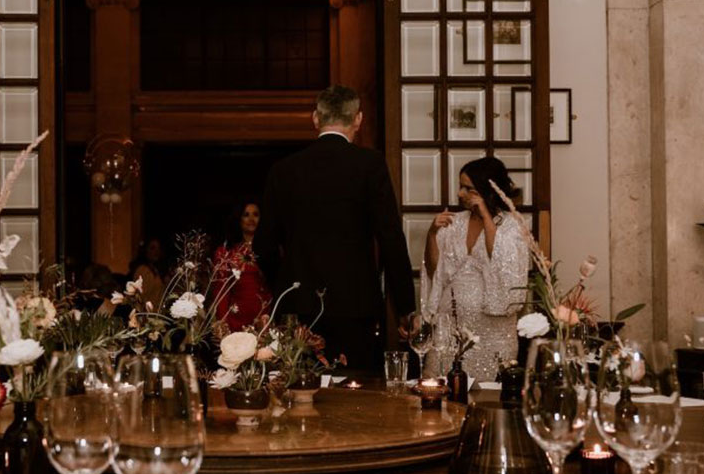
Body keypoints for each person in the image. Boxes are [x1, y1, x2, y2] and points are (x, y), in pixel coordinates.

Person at [254, 85, 415, 372]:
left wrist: (286, 286)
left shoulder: (284, 170)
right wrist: (404, 307)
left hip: (297, 306)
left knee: (299, 390)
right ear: (358, 119)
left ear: (316, 118)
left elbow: (263, 245)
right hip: (355, 303)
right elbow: (390, 237)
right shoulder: (370, 165)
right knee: (355, 398)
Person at [421, 156, 530, 381]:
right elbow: (435, 272)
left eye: (468, 188)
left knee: (488, 400)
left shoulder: (512, 226)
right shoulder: (455, 222)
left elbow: (502, 264)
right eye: (461, 187)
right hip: (450, 330)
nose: (460, 193)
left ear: (486, 191)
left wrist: (487, 216)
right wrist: (432, 234)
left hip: (493, 334)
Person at [212, 202, 272, 332]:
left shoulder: (271, 251)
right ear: (239, 219)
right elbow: (221, 292)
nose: (251, 219)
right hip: (236, 321)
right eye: (246, 215)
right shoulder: (226, 253)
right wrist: (222, 324)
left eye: (256, 215)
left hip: (264, 319)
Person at [128, 238, 167, 308]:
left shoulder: (157, 270)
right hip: (146, 314)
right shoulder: (142, 270)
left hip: (157, 313)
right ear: (145, 250)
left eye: (158, 248)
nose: (156, 251)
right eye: (152, 248)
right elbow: (139, 297)